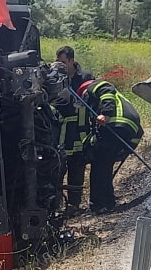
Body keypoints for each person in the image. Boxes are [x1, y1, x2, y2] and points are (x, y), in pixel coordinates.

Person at [79, 78, 143, 214]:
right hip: (126, 128)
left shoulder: (94, 86)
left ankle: (99, 204)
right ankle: (108, 202)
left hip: (114, 124)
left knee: (99, 165)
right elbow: (140, 131)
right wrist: (127, 149)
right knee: (105, 165)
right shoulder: (124, 103)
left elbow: (107, 92)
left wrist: (105, 114)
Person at [55, 47, 94, 212]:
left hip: (80, 132)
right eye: (58, 62)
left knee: (77, 169)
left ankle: (74, 205)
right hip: (61, 133)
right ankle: (56, 204)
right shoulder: (55, 79)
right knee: (57, 170)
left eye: (63, 62)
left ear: (71, 60)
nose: (61, 66)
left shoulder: (85, 77)